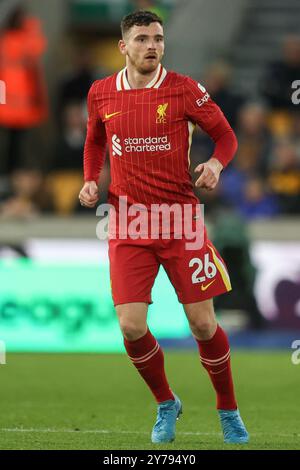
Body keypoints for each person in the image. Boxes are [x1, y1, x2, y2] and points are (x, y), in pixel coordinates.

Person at [79, 10, 249, 445]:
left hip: (181, 222)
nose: (152, 45)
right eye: (141, 39)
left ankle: (228, 410)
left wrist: (214, 163)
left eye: (157, 37)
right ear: (123, 46)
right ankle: (165, 402)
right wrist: (88, 179)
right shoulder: (101, 93)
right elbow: (95, 138)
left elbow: (227, 136)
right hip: (128, 223)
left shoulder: (184, 89)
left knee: (203, 325)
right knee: (131, 326)